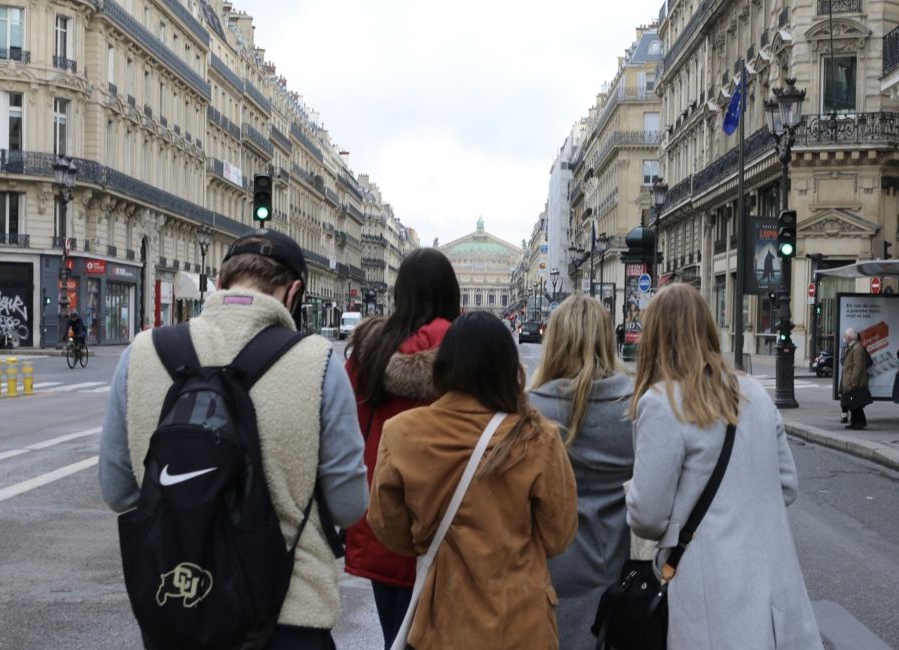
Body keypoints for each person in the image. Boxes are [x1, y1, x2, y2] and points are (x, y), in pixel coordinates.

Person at [98, 230, 369, 649]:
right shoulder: (318, 362)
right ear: (294, 291)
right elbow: (349, 505)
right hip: (290, 616)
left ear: (220, 283)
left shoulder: (143, 352)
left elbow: (117, 491)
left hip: (177, 607)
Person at [625, 284, 822, 650]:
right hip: (773, 588)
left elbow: (647, 515)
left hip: (710, 591)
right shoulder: (755, 394)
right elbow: (788, 486)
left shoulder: (662, 402)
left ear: (653, 338)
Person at [367, 312, 578, 649]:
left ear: (443, 365)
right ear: (509, 368)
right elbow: (559, 534)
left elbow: (386, 526)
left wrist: (431, 545)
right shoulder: (537, 436)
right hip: (522, 623)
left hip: (442, 620)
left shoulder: (402, 433)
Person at [344, 247, 460, 649]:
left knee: (393, 633)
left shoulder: (370, 347)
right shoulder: (457, 345)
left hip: (381, 507)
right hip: (442, 513)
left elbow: (350, 430)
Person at [527, 295, 634, 650]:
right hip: (617, 563)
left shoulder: (532, 409)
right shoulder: (635, 406)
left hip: (549, 565)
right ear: (607, 339)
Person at [840, 328, 869, 430]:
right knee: (852, 403)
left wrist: (854, 381)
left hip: (855, 381)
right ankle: (855, 422)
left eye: (845, 336)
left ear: (849, 337)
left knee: (856, 404)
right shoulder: (852, 347)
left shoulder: (857, 347)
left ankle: (860, 422)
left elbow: (858, 366)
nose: (844, 338)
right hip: (850, 380)